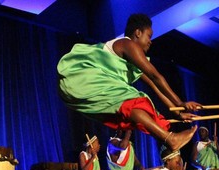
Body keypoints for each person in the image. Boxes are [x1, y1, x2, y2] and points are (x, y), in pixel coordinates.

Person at [57, 14, 201, 152]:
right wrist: (180, 102)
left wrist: (176, 111)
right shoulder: (127, 44)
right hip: (84, 79)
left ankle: (169, 138)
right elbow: (155, 76)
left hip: (83, 87)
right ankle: (170, 139)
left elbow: (153, 84)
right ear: (138, 32)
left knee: (135, 107)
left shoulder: (131, 58)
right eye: (149, 36)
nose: (151, 41)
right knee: (133, 99)